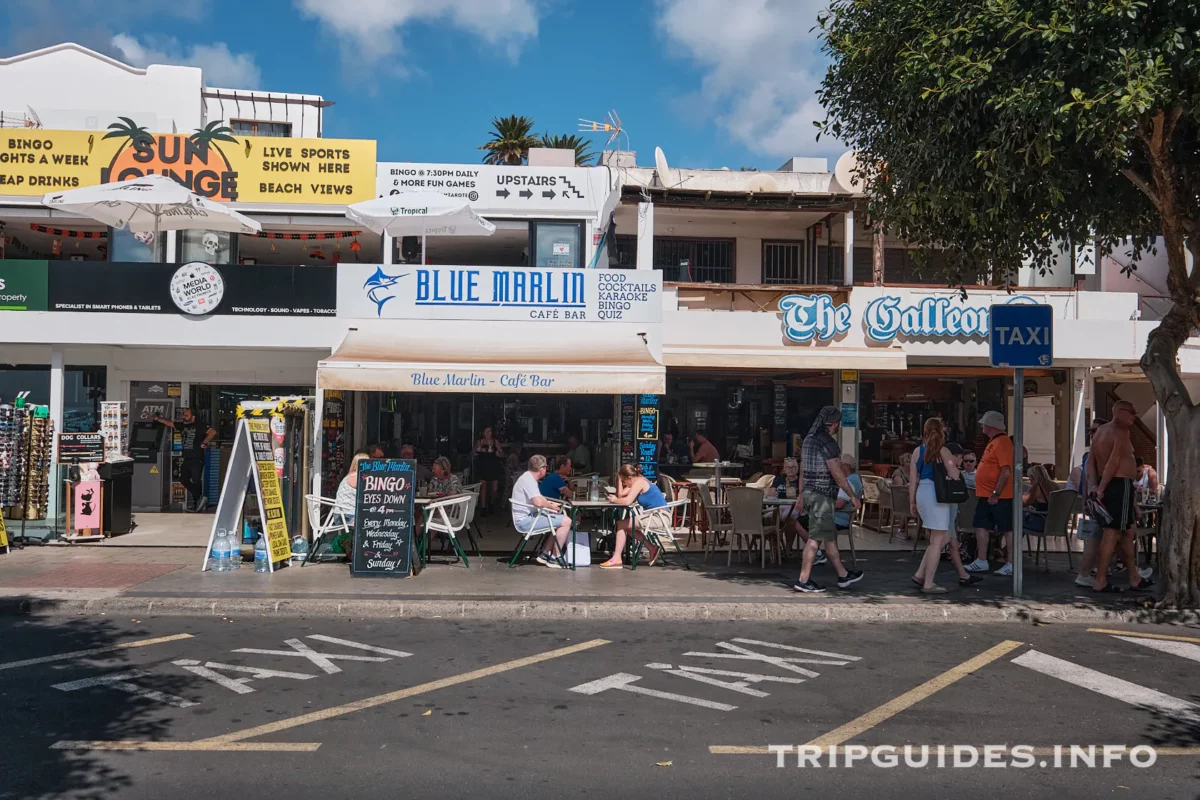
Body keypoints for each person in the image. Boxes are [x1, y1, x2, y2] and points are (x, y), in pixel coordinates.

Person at [792, 405, 864, 593]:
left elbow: (802, 471)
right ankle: (803, 580)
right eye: (839, 422)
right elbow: (837, 472)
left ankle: (843, 575)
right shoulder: (828, 443)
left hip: (809, 493)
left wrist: (801, 494)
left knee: (829, 536)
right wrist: (852, 496)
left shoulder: (808, 440)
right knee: (815, 539)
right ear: (834, 424)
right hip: (822, 496)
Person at [1090, 401, 1153, 593]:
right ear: (1120, 412)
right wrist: (1100, 487)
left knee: (1127, 532)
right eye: (1132, 413)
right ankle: (1100, 580)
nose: (1135, 417)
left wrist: (1096, 485)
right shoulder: (1120, 431)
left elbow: (1091, 461)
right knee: (1112, 532)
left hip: (1114, 486)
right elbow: (1113, 462)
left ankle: (1134, 576)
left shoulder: (1100, 431)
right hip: (1118, 485)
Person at [909, 418, 963, 594]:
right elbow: (954, 475)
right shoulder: (944, 451)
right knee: (937, 541)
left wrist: (912, 502)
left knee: (942, 537)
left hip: (922, 493)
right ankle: (929, 583)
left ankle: (919, 574)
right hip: (937, 495)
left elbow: (912, 480)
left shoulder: (918, 451)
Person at [965, 411, 1016, 576]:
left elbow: (1006, 471)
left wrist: (996, 492)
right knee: (981, 525)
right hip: (986, 494)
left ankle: (1012, 563)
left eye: (983, 423)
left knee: (1007, 528)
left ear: (991, 425)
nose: (981, 426)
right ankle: (981, 560)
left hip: (1000, 496)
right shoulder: (994, 442)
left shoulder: (1003, 442)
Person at [600, 463, 670, 568]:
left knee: (621, 524)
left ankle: (617, 558)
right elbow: (622, 495)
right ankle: (651, 548)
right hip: (655, 515)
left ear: (629, 478)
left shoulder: (639, 482)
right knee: (625, 525)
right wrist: (619, 482)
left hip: (660, 517)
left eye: (623, 481)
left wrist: (615, 500)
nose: (623, 483)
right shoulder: (638, 481)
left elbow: (627, 501)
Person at [510, 454, 573, 569]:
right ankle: (555, 557)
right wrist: (551, 506)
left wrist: (550, 506)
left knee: (556, 519)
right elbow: (538, 502)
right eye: (546, 467)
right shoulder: (529, 480)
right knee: (566, 521)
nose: (547, 469)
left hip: (530, 516)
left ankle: (545, 554)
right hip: (525, 521)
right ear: (541, 469)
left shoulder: (528, 477)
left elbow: (539, 498)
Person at [151, 408, 215, 513]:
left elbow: (212, 432)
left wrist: (204, 442)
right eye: (183, 415)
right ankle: (199, 497)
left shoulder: (200, 426)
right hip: (186, 458)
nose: (184, 417)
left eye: (186, 415)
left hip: (197, 458)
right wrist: (158, 418)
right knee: (183, 479)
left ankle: (196, 502)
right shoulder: (183, 426)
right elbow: (170, 423)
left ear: (193, 417)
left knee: (196, 480)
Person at [773, 457, 812, 557]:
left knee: (791, 517)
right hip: (779, 507)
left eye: (794, 467)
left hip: (795, 508)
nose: (791, 469)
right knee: (769, 517)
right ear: (784, 469)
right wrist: (772, 493)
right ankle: (776, 548)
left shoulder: (801, 482)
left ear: (798, 469)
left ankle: (788, 548)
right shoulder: (778, 480)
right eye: (788, 467)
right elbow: (771, 493)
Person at [473, 426, 505, 515]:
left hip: (493, 466)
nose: (488, 433)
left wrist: (499, 453)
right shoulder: (480, 442)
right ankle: (483, 508)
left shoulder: (495, 442)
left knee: (494, 488)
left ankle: (491, 503)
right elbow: (473, 453)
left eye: (489, 431)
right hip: (483, 466)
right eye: (486, 432)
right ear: (483, 433)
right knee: (483, 487)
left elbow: (502, 454)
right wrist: (478, 450)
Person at [1021, 464, 1057, 533]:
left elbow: (1023, 503)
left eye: (1030, 478)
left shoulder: (1037, 487)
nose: (1030, 481)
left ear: (1033, 477)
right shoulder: (1054, 485)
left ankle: (1010, 542)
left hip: (1042, 523)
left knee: (1014, 518)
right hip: (1055, 523)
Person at [833, 453, 863, 532]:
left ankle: (812, 544)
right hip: (843, 518)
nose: (838, 466)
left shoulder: (848, 482)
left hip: (838, 520)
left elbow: (839, 504)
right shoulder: (855, 478)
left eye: (840, 463)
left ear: (846, 466)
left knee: (802, 522)